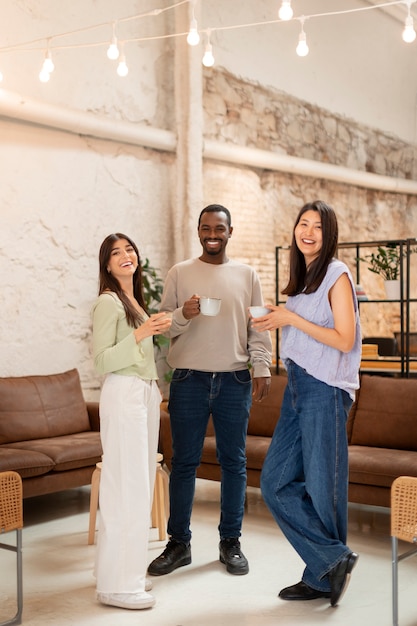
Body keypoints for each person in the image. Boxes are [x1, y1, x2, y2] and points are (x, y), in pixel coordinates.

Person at [147, 203, 272, 577]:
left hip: (234, 379)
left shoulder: (247, 275)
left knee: (234, 464)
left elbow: (259, 326)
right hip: (188, 379)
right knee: (183, 463)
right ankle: (178, 543)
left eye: (219, 228)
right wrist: (183, 313)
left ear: (230, 231)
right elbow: (163, 326)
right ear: (198, 230)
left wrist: (262, 366)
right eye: (206, 228)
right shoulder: (179, 273)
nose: (212, 235)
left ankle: (230, 542)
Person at [251, 201, 361, 607]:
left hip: (326, 389)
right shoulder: (302, 280)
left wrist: (291, 320)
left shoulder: (337, 274)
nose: (308, 231)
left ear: (328, 233)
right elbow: (304, 331)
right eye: (302, 224)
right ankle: (330, 561)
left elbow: (344, 339)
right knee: (274, 482)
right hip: (297, 386)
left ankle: (322, 575)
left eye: (317, 226)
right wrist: (276, 319)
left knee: (322, 487)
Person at [92, 233, 172, 610]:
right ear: (106, 265)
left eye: (130, 249)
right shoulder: (108, 302)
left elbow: (139, 355)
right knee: (126, 487)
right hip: (123, 394)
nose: (126, 255)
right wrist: (141, 333)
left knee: (137, 486)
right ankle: (117, 585)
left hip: (141, 393)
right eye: (115, 253)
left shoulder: (133, 302)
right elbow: (101, 361)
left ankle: (123, 574)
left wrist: (154, 389)